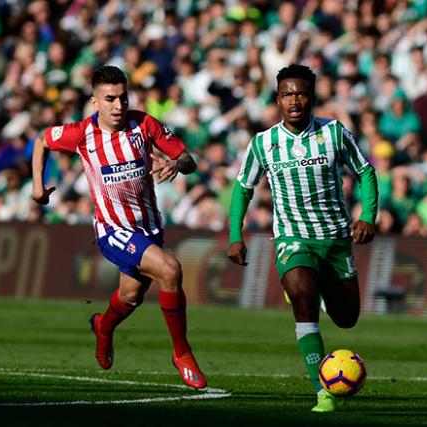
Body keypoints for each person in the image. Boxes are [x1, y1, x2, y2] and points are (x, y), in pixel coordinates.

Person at [31, 65, 207, 389]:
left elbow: (188, 159)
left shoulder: (144, 124)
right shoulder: (81, 134)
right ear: (95, 101)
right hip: (112, 230)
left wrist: (175, 163)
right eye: (110, 99)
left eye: (123, 97)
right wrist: (38, 187)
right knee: (170, 270)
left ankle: (103, 326)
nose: (118, 106)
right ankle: (181, 353)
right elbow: (42, 140)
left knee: (131, 296)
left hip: (149, 227)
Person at [227, 64, 378, 412]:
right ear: (277, 99)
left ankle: (313, 290)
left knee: (346, 318)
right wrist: (236, 235)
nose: (294, 100)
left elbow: (366, 171)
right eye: (286, 94)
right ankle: (321, 390)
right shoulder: (263, 143)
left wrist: (367, 216)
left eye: (301, 93)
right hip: (292, 238)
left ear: (312, 96)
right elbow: (242, 189)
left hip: (336, 239)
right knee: (302, 295)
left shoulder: (335, 133)